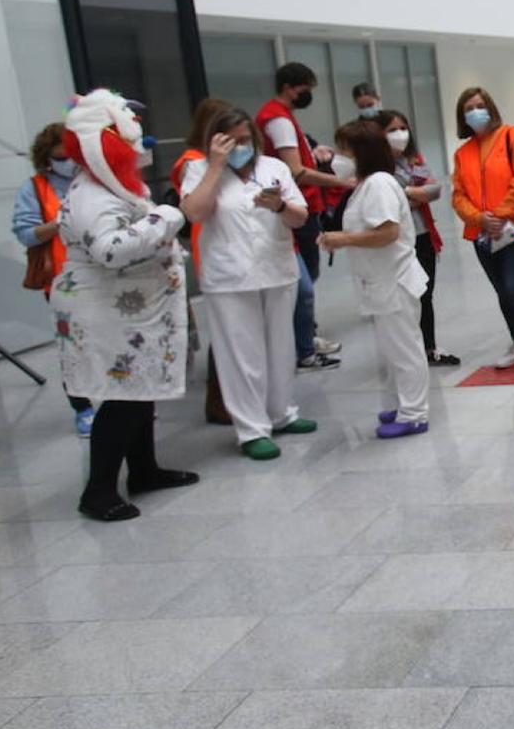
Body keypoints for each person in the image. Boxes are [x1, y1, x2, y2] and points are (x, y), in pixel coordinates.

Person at [53, 90, 199, 521]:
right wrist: (170, 216)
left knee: (141, 392)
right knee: (122, 398)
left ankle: (144, 470)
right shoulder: (91, 196)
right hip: (106, 315)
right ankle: (97, 491)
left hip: (129, 311)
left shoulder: (110, 187)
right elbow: (111, 250)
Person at [180, 108, 319, 461]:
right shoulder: (197, 170)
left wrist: (279, 206)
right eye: (231, 141)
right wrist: (215, 165)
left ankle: (282, 413)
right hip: (229, 278)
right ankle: (251, 430)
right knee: (242, 355)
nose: (240, 146)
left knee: (280, 347)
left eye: (245, 139)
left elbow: (299, 216)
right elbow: (194, 212)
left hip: (276, 269)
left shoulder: (274, 167)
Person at [322, 120, 430, 439]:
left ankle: (414, 414)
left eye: (344, 150)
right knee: (395, 350)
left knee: (405, 349)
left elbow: (387, 232)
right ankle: (405, 405)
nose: (338, 158)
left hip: (393, 280)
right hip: (381, 282)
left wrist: (343, 239)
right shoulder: (366, 184)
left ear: (362, 152)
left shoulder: (380, 183)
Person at [256, 62, 348, 371]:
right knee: (301, 283)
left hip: (304, 207)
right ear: (290, 87)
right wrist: (339, 181)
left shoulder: (281, 118)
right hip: (296, 208)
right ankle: (302, 344)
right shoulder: (278, 119)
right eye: (306, 89)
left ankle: (304, 336)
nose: (308, 95)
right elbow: (295, 170)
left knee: (305, 278)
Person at [450, 87, 514, 376]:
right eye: (469, 108)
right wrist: (480, 219)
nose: (475, 112)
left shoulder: (513, 137)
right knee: (502, 293)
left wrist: (500, 215)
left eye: (480, 105)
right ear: (462, 116)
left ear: (490, 108)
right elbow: (458, 195)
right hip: (482, 235)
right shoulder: (462, 153)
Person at [13, 122, 94, 436]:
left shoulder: (94, 179)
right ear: (47, 158)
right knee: (72, 347)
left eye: (72, 155)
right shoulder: (34, 188)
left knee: (111, 340)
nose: (68, 162)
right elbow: (25, 234)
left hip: (101, 274)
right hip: (62, 282)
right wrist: (60, 222)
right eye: (61, 157)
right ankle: (83, 407)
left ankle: (123, 402)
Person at [171, 97, 235, 427]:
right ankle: (219, 400)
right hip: (212, 250)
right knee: (225, 332)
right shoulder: (194, 163)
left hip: (235, 252)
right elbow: (195, 208)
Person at [380, 109, 458, 366]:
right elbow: (388, 200)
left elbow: (435, 189)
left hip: (423, 234)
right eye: (392, 129)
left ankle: (428, 347)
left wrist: (407, 191)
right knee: (403, 297)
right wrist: (414, 193)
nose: (399, 134)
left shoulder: (413, 159)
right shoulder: (377, 168)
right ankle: (406, 350)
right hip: (397, 239)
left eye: (402, 128)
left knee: (425, 292)